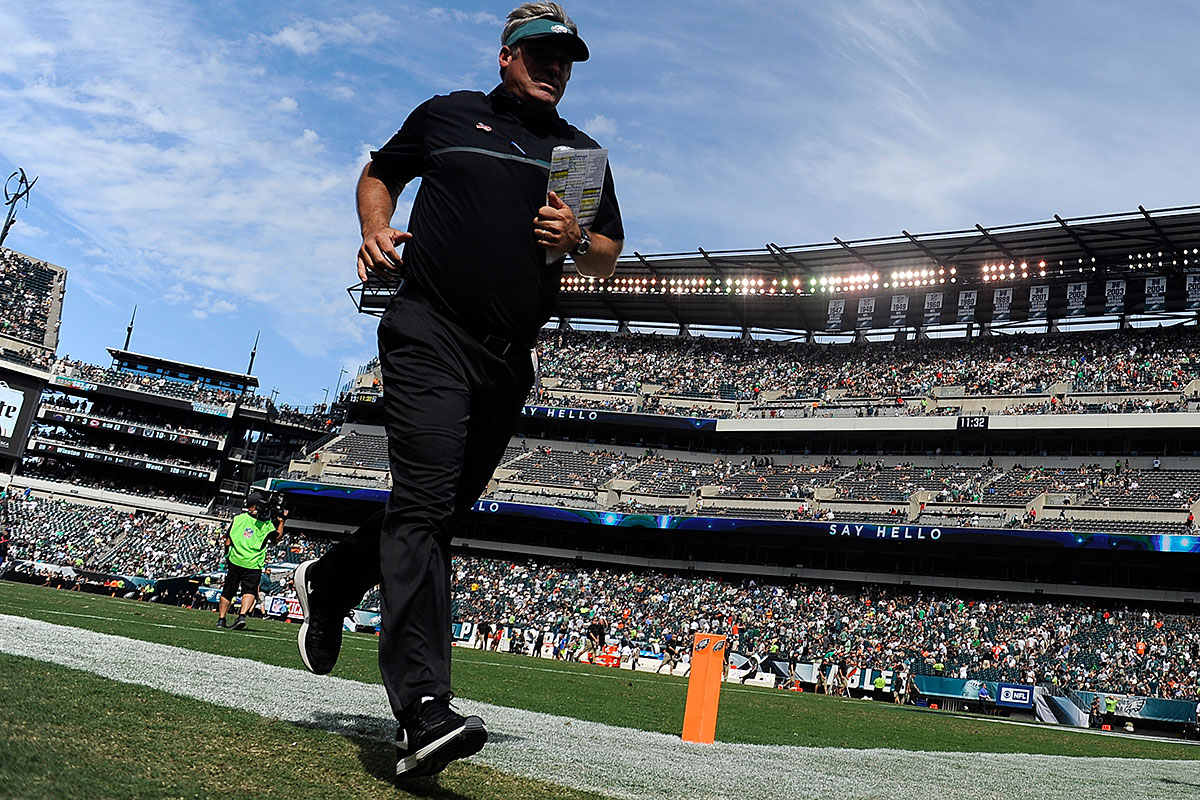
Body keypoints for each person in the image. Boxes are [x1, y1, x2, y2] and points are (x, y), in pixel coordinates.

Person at [290, 3, 623, 780]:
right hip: (428, 332)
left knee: (432, 509)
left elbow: (606, 249)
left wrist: (579, 242)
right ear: (506, 54)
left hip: (509, 361)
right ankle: (422, 713)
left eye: (566, 57)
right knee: (426, 511)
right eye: (541, 52)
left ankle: (332, 580)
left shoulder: (580, 154)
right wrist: (376, 227)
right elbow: (380, 173)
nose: (555, 66)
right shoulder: (449, 115)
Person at [217, 492, 286, 630]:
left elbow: (228, 539)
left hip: (235, 559)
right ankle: (242, 616)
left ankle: (221, 619)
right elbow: (277, 538)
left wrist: (227, 556)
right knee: (249, 591)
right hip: (253, 563)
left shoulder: (238, 518)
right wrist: (281, 522)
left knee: (228, 591)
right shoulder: (265, 524)